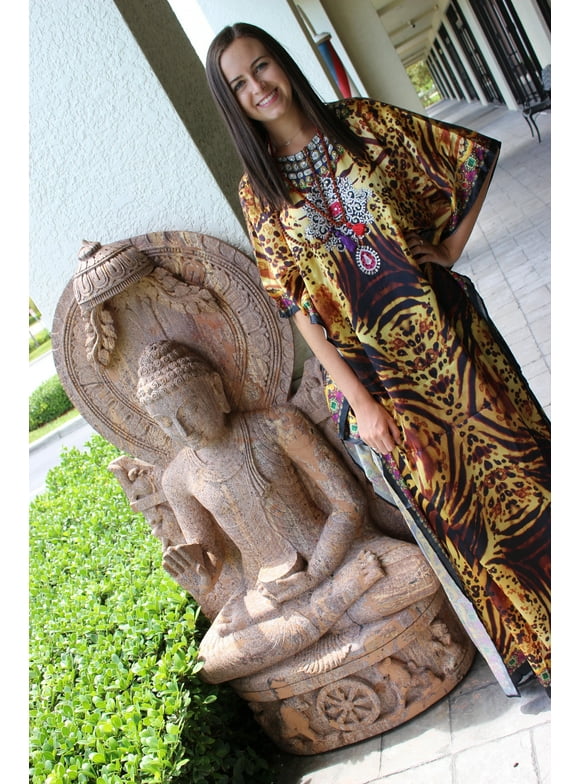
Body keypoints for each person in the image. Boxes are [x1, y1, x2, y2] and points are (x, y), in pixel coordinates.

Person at [205, 23, 551, 693]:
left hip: (452, 344)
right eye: (240, 84)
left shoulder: (362, 125)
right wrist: (361, 403)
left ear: (283, 64)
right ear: (233, 102)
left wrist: (447, 249)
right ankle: (543, 643)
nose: (259, 87)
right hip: (381, 384)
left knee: (526, 471)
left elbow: (464, 158)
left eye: (263, 66)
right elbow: (297, 307)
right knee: (460, 510)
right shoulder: (259, 192)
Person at [135, 339, 441, 684]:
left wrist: (316, 574)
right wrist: (201, 575)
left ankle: (316, 616)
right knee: (211, 662)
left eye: (188, 410)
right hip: (265, 593)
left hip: (337, 557)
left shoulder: (278, 424)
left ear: (215, 389)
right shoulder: (177, 478)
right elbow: (209, 554)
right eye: (166, 423)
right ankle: (336, 601)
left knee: (419, 571)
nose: (183, 430)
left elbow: (348, 503)